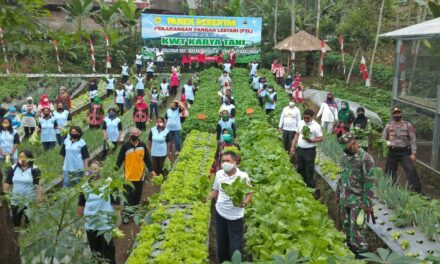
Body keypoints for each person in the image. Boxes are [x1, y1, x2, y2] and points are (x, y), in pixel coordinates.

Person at [208, 151, 252, 263]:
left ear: (235, 161)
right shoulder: (219, 174)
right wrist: (207, 197)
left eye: (227, 161)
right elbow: (216, 191)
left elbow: (249, 193)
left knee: (235, 247)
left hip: (235, 216)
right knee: (221, 245)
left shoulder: (243, 176)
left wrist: (244, 203)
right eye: (223, 161)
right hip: (220, 213)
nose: (225, 163)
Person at [337, 133, 375, 254]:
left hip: (358, 201)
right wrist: (337, 194)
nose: (345, 151)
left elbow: (369, 182)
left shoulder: (366, 159)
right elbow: (342, 175)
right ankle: (348, 251)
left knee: (357, 230)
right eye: (344, 149)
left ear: (353, 143)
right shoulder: (345, 156)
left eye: (347, 148)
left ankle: (361, 253)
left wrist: (367, 204)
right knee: (346, 226)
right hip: (345, 197)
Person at [77, 161, 119, 264]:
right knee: (96, 254)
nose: (93, 171)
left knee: (108, 253)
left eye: (95, 169)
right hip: (91, 225)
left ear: (101, 170)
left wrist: (117, 223)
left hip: (105, 225)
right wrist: (80, 226)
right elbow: (80, 209)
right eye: (91, 169)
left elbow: (117, 205)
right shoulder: (85, 187)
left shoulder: (109, 184)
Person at [115, 128, 154, 223]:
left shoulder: (142, 146)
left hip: (140, 176)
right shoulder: (125, 146)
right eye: (132, 133)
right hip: (128, 177)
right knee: (127, 196)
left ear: (139, 135)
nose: (133, 135)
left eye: (135, 133)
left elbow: (147, 159)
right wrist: (115, 171)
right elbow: (119, 159)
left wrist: (152, 170)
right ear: (130, 135)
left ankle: (134, 213)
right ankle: (126, 215)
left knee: (137, 195)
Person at [383, 107, 421, 193]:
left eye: (398, 113)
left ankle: (416, 190)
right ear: (392, 115)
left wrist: (413, 153)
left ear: (401, 114)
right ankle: (390, 187)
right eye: (395, 113)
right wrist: (387, 143)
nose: (397, 115)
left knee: (410, 169)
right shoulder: (388, 126)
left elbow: (413, 140)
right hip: (392, 151)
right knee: (390, 170)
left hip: (404, 152)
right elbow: (383, 138)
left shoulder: (408, 125)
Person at [3, 150, 42, 227]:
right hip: (16, 201)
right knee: (15, 222)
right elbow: (7, 182)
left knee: (29, 223)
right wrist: (4, 196)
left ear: (29, 158)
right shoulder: (13, 168)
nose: (21, 159)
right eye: (20, 157)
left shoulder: (35, 169)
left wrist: (38, 200)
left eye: (23, 157)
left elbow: (38, 186)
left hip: (30, 201)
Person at [290, 109, 323, 189]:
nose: (305, 119)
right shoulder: (301, 123)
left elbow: (320, 138)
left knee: (309, 169)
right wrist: (293, 146)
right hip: (300, 149)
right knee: (300, 167)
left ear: (312, 117)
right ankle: (301, 184)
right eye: (304, 117)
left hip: (310, 151)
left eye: (307, 118)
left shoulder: (316, 126)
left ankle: (310, 187)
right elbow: (297, 134)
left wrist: (311, 140)